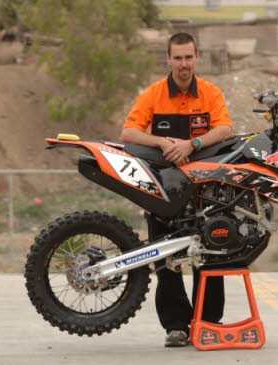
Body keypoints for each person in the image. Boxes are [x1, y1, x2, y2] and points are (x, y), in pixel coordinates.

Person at [119, 32, 233, 347]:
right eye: (178, 58)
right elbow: (128, 132)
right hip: (163, 189)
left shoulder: (210, 93)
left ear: (197, 58)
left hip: (204, 191)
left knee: (209, 255)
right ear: (169, 59)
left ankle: (208, 324)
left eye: (188, 57)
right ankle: (176, 327)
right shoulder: (154, 95)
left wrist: (192, 144)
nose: (183, 64)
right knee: (164, 255)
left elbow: (225, 128)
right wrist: (161, 142)